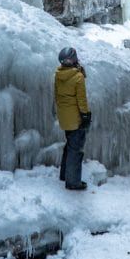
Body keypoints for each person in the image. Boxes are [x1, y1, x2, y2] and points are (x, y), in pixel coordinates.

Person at [55, 47, 91, 191]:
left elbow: (57, 96)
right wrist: (85, 115)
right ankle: (73, 182)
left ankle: (64, 175)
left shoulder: (58, 75)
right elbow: (81, 99)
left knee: (69, 146)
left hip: (64, 117)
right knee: (76, 150)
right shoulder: (78, 77)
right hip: (75, 118)